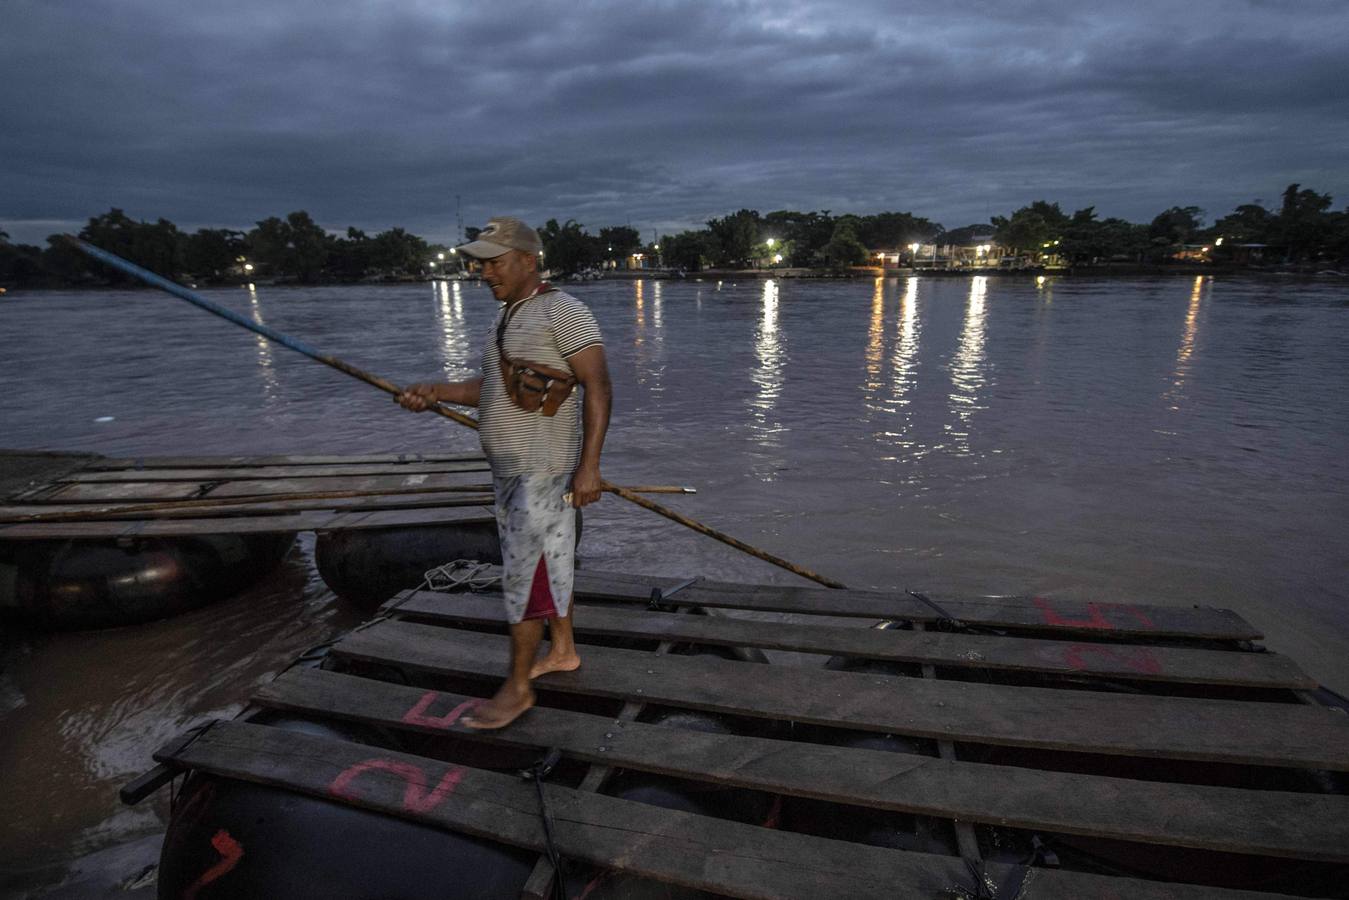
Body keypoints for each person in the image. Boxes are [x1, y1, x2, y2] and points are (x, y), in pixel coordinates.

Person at [397, 216, 611, 730]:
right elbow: (492, 389)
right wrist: (437, 392)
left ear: (528, 260)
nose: (483, 272)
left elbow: (599, 387)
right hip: (513, 473)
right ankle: (562, 650)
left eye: (493, 261)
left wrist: (589, 467)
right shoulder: (509, 314)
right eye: (479, 263)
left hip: (542, 473)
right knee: (550, 565)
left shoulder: (564, 311)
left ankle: (517, 688)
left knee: (524, 578)